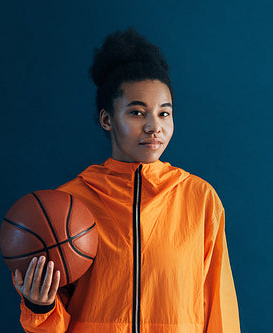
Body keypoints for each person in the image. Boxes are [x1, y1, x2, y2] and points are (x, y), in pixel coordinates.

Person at [12, 27, 240, 332]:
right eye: (137, 113)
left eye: (164, 113)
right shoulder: (67, 205)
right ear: (107, 119)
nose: (154, 127)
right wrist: (40, 306)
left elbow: (220, 310)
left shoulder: (200, 199)